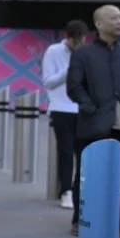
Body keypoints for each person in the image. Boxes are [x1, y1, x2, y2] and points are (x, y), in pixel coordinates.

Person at [67, 4, 120, 238]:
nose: (119, 22)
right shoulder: (83, 54)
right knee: (86, 175)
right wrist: (91, 107)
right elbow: (74, 86)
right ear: (99, 24)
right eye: (113, 18)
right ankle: (81, 220)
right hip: (93, 125)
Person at [42, 20, 89, 210]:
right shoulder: (54, 51)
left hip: (81, 108)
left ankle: (82, 191)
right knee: (66, 151)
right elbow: (48, 81)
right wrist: (69, 69)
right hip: (61, 107)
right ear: (67, 38)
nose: (78, 45)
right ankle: (66, 191)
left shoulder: (86, 53)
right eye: (75, 41)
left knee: (83, 152)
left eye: (82, 40)